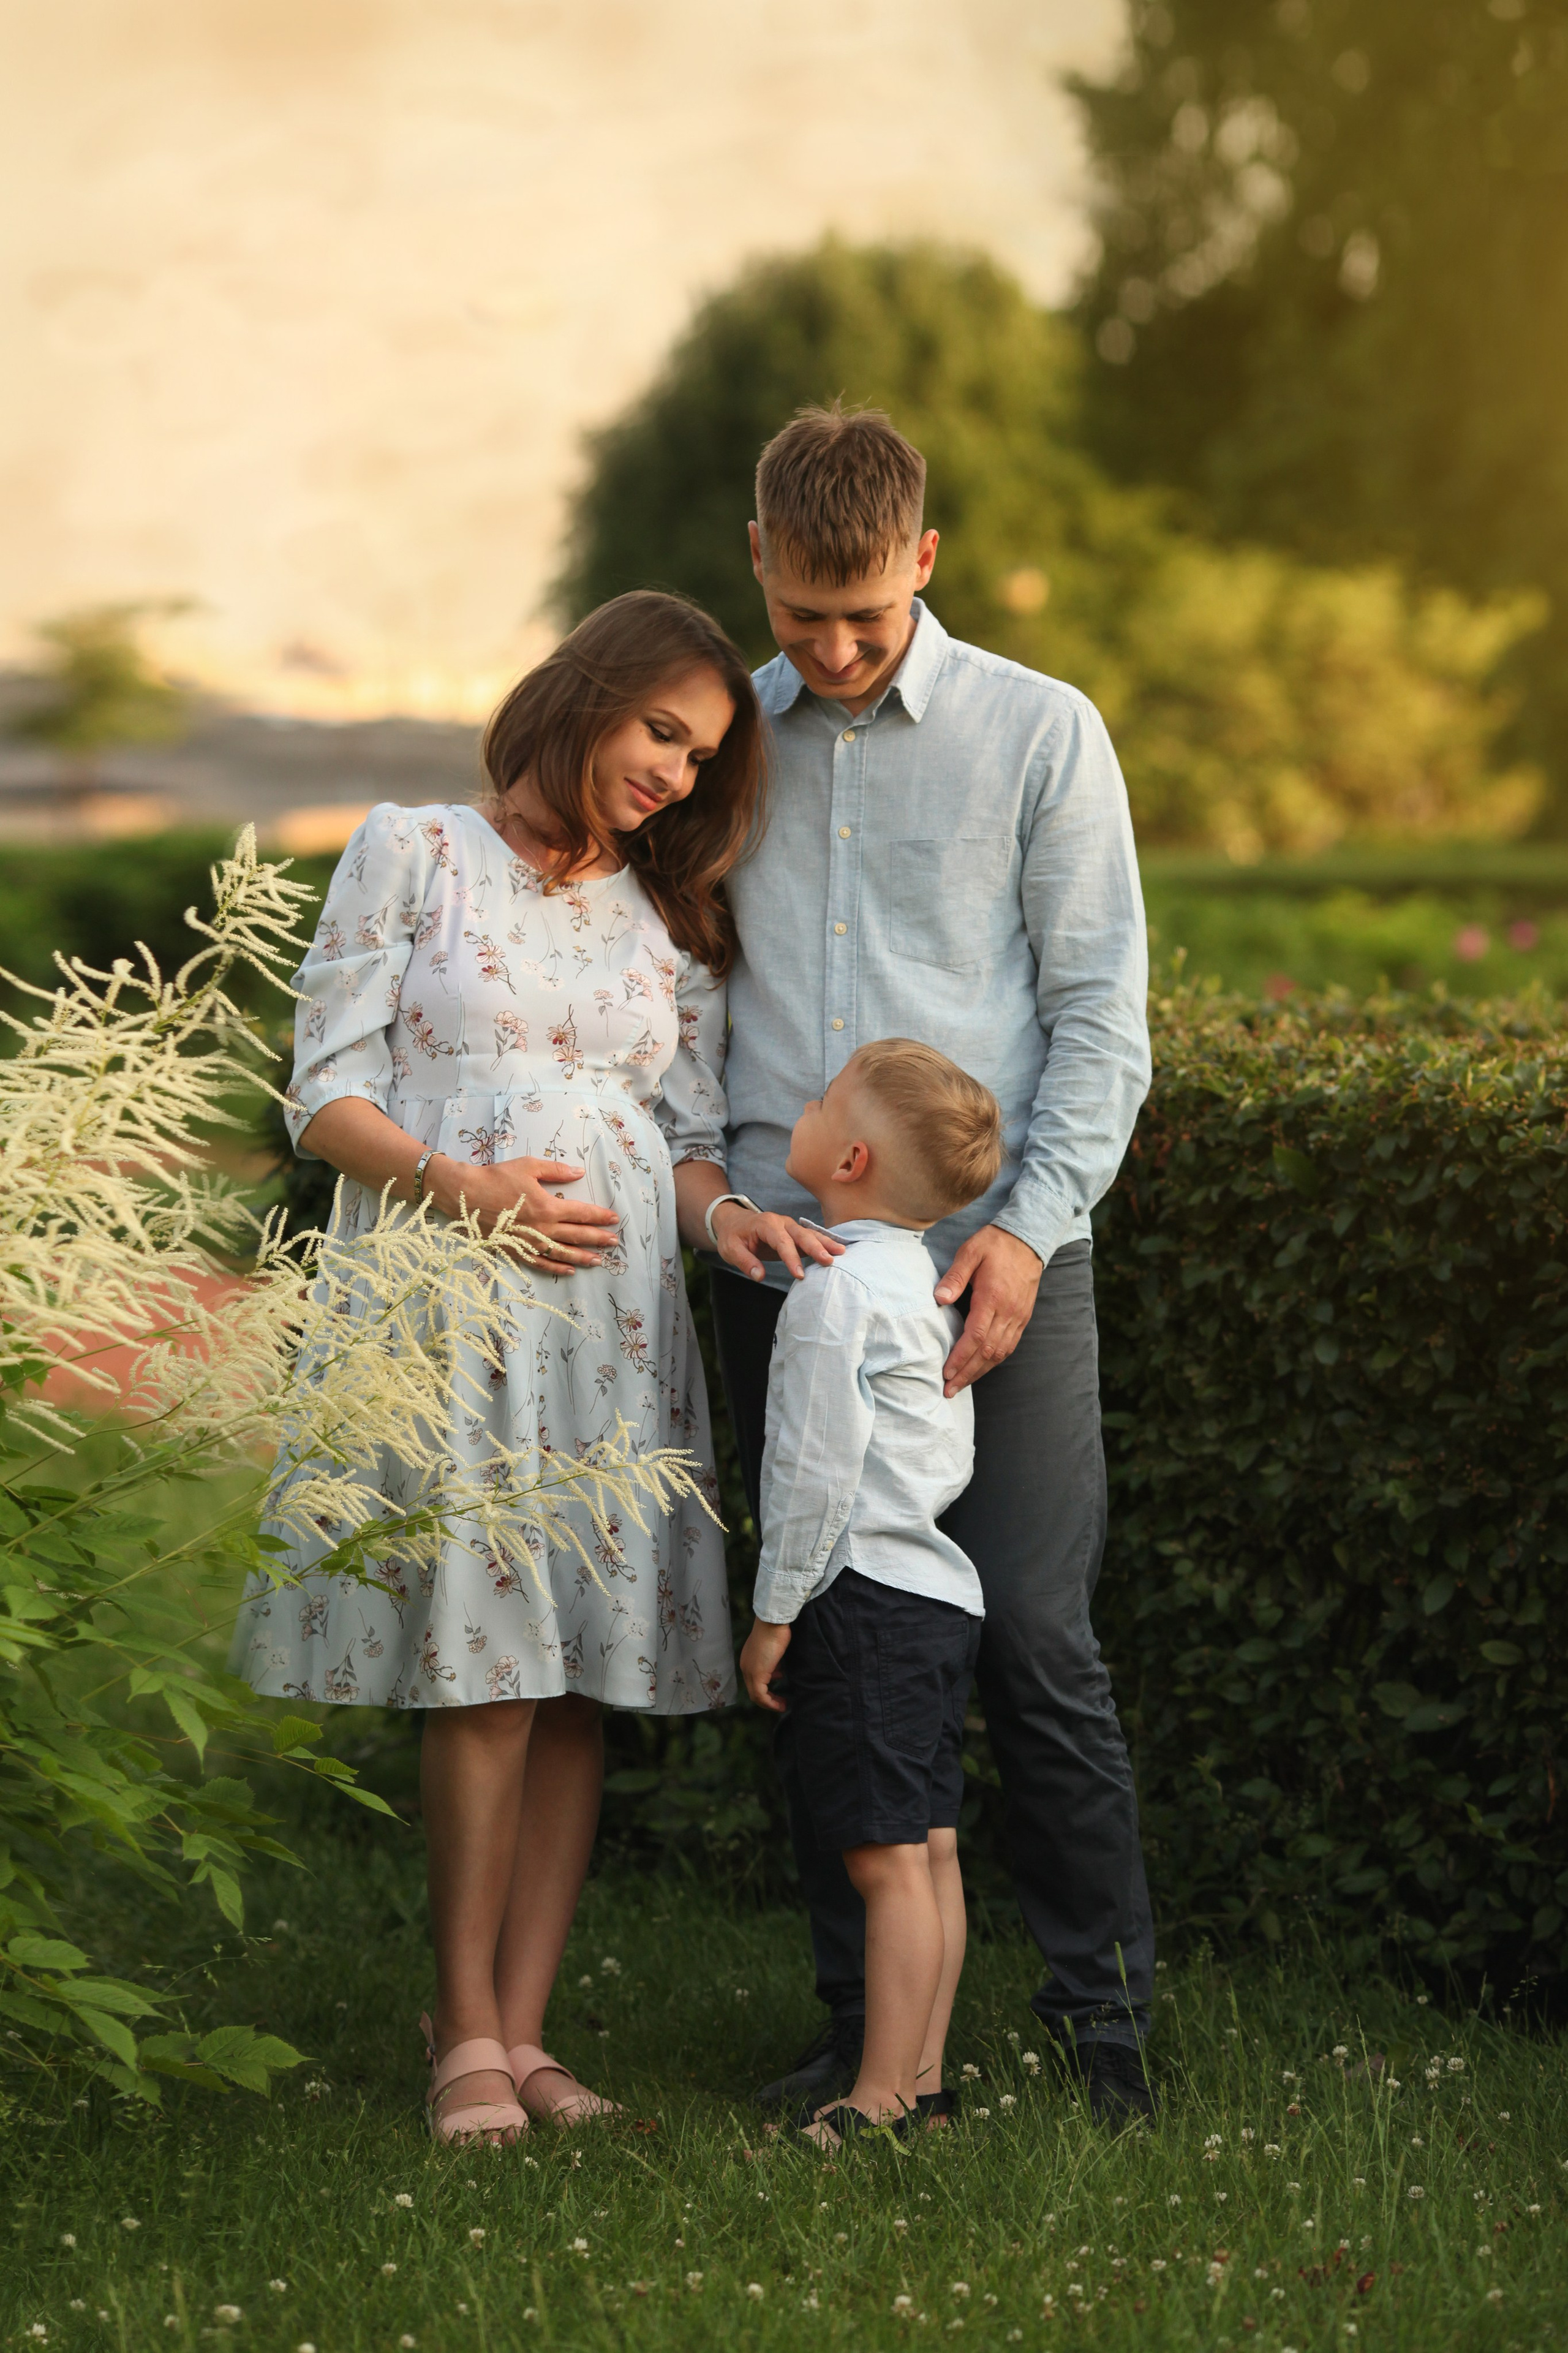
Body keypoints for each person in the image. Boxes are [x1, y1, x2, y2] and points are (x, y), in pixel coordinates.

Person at [233, 590, 832, 2144]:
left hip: (614, 1331)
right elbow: (325, 1097)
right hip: (456, 1306)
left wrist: (731, 1222)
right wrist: (470, 1190)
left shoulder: (670, 915)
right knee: (484, 1669)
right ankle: (460, 2033)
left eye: (698, 758)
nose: (675, 775)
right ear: (584, 694)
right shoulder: (413, 851)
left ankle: (523, 2029)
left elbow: (682, 1142)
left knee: (578, 1683)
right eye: (661, 733)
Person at [695, 403, 1158, 2123]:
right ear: (759, 559)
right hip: (794, 1267)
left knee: (1032, 1630)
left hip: (995, 1270)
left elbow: (1101, 1017)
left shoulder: (1043, 732)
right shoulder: (721, 744)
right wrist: (716, 1202)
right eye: (802, 613)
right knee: (827, 1637)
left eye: (866, 616)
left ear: (927, 562)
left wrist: (1026, 1233)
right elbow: (685, 1000)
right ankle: (863, 2032)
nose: (832, 649)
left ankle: (1107, 2022)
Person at [737, 1041, 1004, 2143]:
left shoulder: (835, 1291)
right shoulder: (920, 1283)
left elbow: (810, 1472)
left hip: (863, 1598)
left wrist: (774, 1614)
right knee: (929, 1849)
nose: (799, 1107)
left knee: (884, 1862)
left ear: (849, 1160)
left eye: (818, 1101)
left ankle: (880, 2097)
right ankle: (922, 2086)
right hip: (937, 1599)